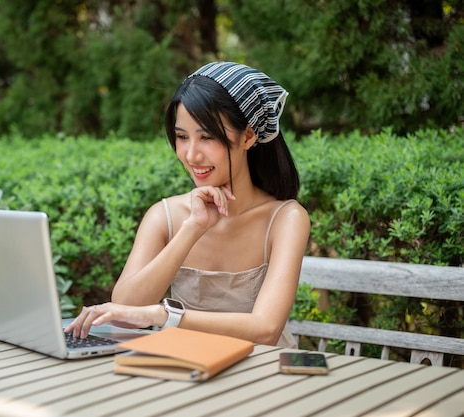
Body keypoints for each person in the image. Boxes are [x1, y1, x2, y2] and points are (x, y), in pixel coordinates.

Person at [65, 61, 310, 348]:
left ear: (248, 136)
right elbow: (125, 308)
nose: (192, 155)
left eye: (207, 136)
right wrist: (192, 228)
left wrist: (164, 315)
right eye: (182, 137)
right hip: (186, 369)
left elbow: (266, 329)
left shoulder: (286, 219)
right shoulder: (165, 215)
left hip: (262, 375)